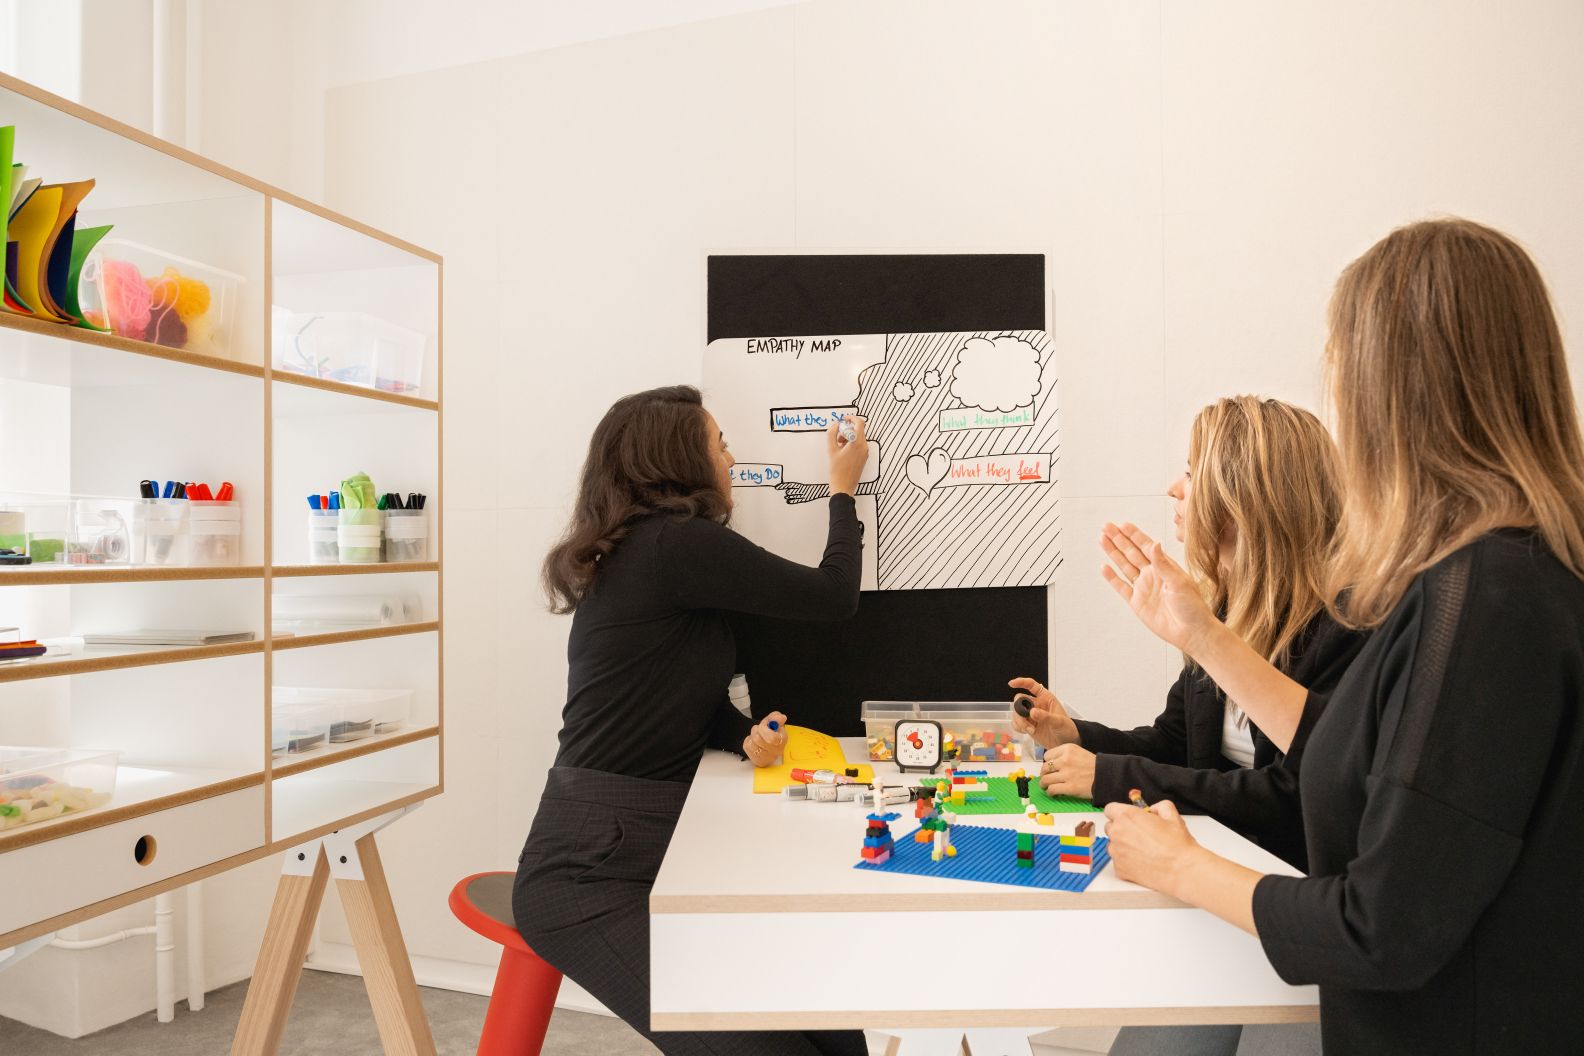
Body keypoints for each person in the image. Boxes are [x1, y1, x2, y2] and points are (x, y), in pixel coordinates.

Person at [1099, 219, 1584, 1053]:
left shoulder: (1485, 599)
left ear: (1395, 391)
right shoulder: (1504, 576)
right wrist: (1201, 633)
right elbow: (1368, 767)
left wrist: (1184, 866)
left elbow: (1380, 928)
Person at [514, 385, 870, 1056]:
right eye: (721, 444)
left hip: (655, 850)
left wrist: (742, 734)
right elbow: (832, 597)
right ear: (679, 458)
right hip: (588, 872)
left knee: (835, 1028)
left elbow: (665, 693)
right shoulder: (676, 546)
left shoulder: (657, 555)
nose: (732, 461)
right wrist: (843, 492)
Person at [1011, 397, 1366, 872]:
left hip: (1285, 881)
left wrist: (1110, 777)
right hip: (1221, 859)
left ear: (1244, 497)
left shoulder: (1345, 625)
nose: (1174, 489)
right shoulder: (1222, 609)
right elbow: (1174, 743)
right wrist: (1074, 733)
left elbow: (1290, 794)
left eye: (1192, 473)